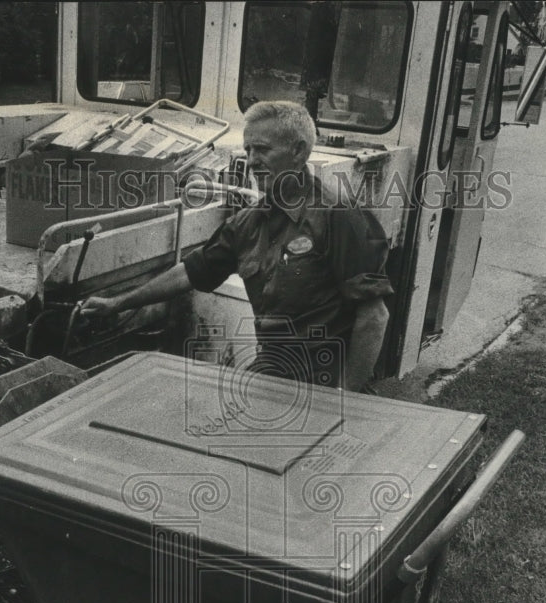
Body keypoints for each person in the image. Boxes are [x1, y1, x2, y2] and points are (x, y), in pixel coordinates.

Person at [80, 100, 393, 391]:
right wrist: (118, 303)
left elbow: (374, 317)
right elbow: (190, 271)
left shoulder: (338, 215)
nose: (252, 161)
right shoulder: (249, 223)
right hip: (275, 367)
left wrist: (347, 400)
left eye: (262, 150)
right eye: (248, 149)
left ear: (298, 151)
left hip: (330, 376)